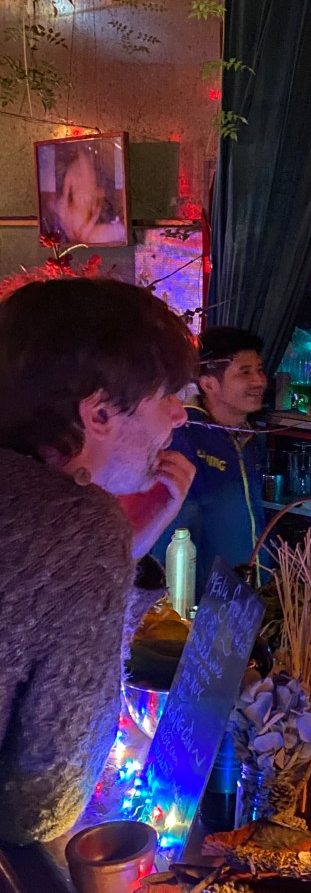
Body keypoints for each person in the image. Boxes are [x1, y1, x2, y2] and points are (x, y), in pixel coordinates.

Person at [0, 277, 196, 844]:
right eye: (166, 395)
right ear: (101, 412)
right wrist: (107, 543)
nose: (179, 416)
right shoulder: (78, 524)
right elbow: (44, 804)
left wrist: (129, 546)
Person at [151, 326, 268, 601]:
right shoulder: (183, 435)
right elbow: (172, 528)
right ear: (208, 383)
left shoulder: (247, 437)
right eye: (245, 372)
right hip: (201, 600)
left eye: (259, 370)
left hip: (245, 594)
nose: (259, 381)